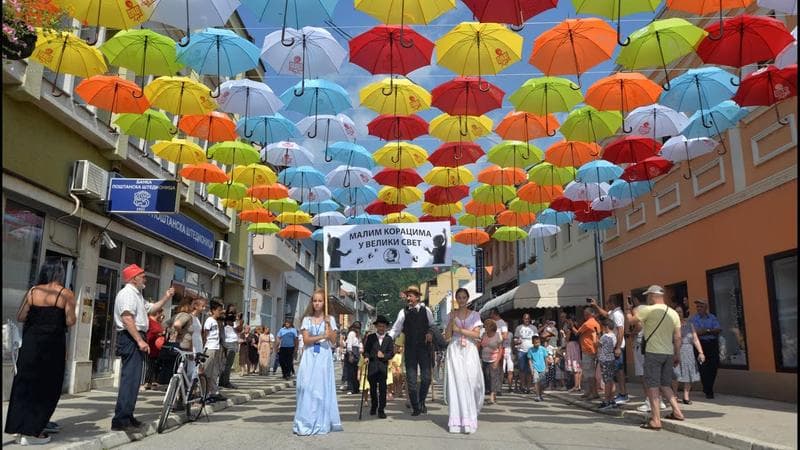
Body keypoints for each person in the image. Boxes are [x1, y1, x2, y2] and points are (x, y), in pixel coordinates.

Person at [5, 261, 76, 445]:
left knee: (24, 385)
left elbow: (21, 316)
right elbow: (70, 321)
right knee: (48, 386)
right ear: (60, 275)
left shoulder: (32, 291)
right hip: (52, 346)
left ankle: (19, 427)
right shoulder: (65, 293)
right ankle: (34, 432)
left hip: (30, 344)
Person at [111, 264, 174, 432]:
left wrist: (166, 297)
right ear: (134, 278)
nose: (145, 278)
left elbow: (151, 309)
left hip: (135, 337)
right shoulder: (127, 294)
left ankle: (127, 415)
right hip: (131, 338)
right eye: (142, 275)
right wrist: (139, 340)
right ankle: (121, 420)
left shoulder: (137, 294)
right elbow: (127, 319)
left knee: (134, 380)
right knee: (129, 380)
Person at [624, 285, 684, 430]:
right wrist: (677, 354)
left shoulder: (648, 310)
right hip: (668, 353)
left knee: (652, 386)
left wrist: (627, 309)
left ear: (652, 295)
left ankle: (656, 420)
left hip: (653, 352)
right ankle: (677, 411)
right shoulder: (673, 313)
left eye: (648, 295)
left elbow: (631, 321)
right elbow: (677, 337)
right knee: (665, 384)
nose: (647, 298)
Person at [293, 289, 342, 435]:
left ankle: (321, 420)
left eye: (320, 301)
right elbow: (306, 340)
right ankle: (305, 420)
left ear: (324, 303)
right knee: (306, 386)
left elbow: (334, 341)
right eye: (315, 301)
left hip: (323, 356)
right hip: (309, 356)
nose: (317, 303)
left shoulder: (330, 320)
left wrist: (329, 329)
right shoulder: (306, 320)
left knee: (320, 388)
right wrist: (321, 336)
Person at [388, 285, 435, 416]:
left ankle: (421, 401)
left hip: (424, 349)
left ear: (417, 297)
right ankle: (416, 406)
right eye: (407, 295)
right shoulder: (403, 312)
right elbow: (395, 329)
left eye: (411, 295)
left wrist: (430, 333)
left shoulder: (427, 310)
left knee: (426, 378)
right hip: (410, 350)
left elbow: (432, 325)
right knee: (411, 380)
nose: (408, 298)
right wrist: (386, 340)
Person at [443, 288, 484, 434]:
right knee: (457, 384)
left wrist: (459, 330)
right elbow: (447, 337)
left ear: (467, 299)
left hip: (470, 350)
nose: (461, 300)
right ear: (456, 299)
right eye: (459, 297)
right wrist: (451, 322)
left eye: (463, 297)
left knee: (471, 383)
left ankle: (470, 419)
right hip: (454, 350)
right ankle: (457, 421)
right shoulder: (451, 315)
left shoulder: (475, 315)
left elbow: (476, 335)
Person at [591, 297, 629, 404]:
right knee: (616, 371)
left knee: (619, 371)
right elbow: (606, 314)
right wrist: (596, 306)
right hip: (615, 345)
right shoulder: (613, 312)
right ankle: (620, 393)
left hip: (618, 346)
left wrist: (617, 347)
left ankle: (623, 393)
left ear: (612, 303)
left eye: (607, 303)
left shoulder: (617, 314)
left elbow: (621, 330)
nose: (607, 306)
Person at [689, 299, 721, 399]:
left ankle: (708, 387)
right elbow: (695, 333)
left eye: (701, 306)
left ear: (706, 308)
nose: (698, 308)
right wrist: (709, 331)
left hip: (712, 344)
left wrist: (706, 330)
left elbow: (718, 329)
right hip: (700, 344)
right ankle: (709, 390)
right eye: (697, 307)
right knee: (703, 367)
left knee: (714, 366)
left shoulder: (712, 317)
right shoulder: (693, 319)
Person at [673, 306, 705, 405]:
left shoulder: (690, 325)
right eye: (676, 312)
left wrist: (701, 352)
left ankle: (686, 396)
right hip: (676, 350)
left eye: (680, 312)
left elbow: (695, 339)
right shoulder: (672, 325)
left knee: (689, 374)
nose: (679, 314)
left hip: (689, 351)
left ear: (683, 313)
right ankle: (674, 395)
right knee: (676, 374)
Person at [364, 315, 395, 418]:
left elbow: (391, 353)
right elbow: (366, 351)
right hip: (372, 367)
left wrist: (384, 356)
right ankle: (374, 406)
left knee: (382, 389)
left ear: (386, 327)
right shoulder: (371, 337)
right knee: (372, 389)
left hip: (382, 367)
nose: (381, 328)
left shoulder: (389, 339)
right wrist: (366, 357)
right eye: (379, 326)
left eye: (383, 326)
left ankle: (381, 409)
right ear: (376, 326)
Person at [203, 300, 227, 403]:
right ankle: (204, 393)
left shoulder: (216, 321)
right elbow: (205, 334)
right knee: (207, 371)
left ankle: (213, 392)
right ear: (213, 310)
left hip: (216, 347)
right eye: (218, 310)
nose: (220, 312)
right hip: (210, 347)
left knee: (214, 372)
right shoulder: (209, 320)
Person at [575, 307, 600, 401]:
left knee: (589, 374)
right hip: (593, 349)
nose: (584, 316)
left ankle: (594, 393)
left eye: (585, 314)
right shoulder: (596, 323)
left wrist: (572, 326)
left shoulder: (587, 323)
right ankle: (589, 391)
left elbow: (577, 333)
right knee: (590, 372)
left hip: (587, 349)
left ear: (588, 314)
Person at [479, 318, 503, 405]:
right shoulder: (484, 335)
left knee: (493, 377)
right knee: (487, 377)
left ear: (491, 327)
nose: (484, 327)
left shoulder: (497, 335)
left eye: (486, 326)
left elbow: (500, 349)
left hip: (494, 358)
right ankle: (493, 393)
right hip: (485, 359)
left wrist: (497, 361)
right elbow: (480, 346)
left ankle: (492, 396)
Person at [514, 313, 538, 394]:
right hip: (521, 350)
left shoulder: (533, 328)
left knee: (530, 370)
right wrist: (517, 341)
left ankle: (528, 387)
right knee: (522, 369)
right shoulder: (519, 328)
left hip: (531, 351)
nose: (526, 320)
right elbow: (515, 339)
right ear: (523, 319)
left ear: (530, 319)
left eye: (528, 318)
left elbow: (536, 339)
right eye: (525, 318)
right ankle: (523, 386)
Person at [597, 318, 618, 410]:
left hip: (605, 360)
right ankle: (612, 399)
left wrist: (596, 336)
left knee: (606, 381)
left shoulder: (604, 336)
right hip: (611, 359)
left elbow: (598, 344)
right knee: (611, 380)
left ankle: (606, 401)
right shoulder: (614, 336)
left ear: (606, 327)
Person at [488, 309, 510, 395]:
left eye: (491, 314)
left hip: (499, 347)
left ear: (495, 314)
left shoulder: (502, 323)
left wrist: (496, 339)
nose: (490, 315)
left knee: (499, 368)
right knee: (490, 369)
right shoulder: (491, 322)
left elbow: (505, 335)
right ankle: (492, 387)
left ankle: (498, 388)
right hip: (489, 348)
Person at [219, 308, 241, 389]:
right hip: (228, 343)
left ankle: (223, 381)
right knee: (226, 364)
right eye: (231, 312)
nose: (232, 315)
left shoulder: (234, 322)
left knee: (227, 364)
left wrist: (238, 319)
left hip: (232, 343)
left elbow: (239, 329)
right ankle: (225, 382)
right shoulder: (223, 322)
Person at [144, 310, 165, 390]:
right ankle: (146, 382)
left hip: (156, 348)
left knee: (154, 365)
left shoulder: (157, 322)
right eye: (161, 312)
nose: (162, 314)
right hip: (150, 346)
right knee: (149, 365)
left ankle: (151, 381)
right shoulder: (149, 320)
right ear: (157, 312)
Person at [527, 335, 549, 402]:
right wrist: (531, 369)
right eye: (536, 343)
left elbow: (545, 358)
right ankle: (537, 396)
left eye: (538, 342)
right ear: (532, 342)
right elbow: (530, 360)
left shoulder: (543, 349)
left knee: (542, 383)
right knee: (536, 381)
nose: (537, 344)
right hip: (535, 368)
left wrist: (546, 367)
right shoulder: (530, 350)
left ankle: (540, 394)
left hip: (542, 368)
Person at [563, 316, 582, 392]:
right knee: (578, 366)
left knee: (575, 367)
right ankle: (578, 385)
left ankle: (576, 385)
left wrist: (566, 333)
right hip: (576, 345)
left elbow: (567, 339)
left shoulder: (572, 328)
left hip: (572, 346)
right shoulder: (577, 327)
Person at [344, 321, 363, 394]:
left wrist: (361, 349)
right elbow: (349, 345)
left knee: (356, 371)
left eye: (359, 328)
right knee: (351, 371)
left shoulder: (358, 335)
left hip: (357, 352)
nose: (357, 329)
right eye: (356, 328)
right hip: (352, 352)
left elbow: (360, 343)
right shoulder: (351, 334)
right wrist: (350, 355)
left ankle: (356, 388)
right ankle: (351, 388)